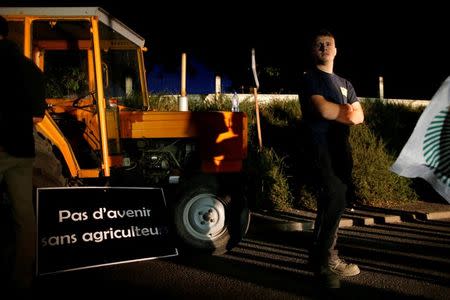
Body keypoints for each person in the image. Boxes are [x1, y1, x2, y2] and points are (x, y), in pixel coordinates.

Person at [299, 29, 364, 288]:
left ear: (336, 50)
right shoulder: (310, 78)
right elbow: (322, 109)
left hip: (341, 149)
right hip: (320, 146)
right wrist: (346, 111)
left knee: (333, 201)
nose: (325, 47)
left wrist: (346, 112)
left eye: (329, 44)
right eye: (319, 45)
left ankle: (318, 258)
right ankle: (327, 261)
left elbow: (359, 116)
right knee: (334, 197)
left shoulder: (345, 83)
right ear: (313, 51)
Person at [0, 15, 47, 291]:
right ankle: (21, 278)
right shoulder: (31, 70)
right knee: (24, 216)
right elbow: (38, 117)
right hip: (20, 149)